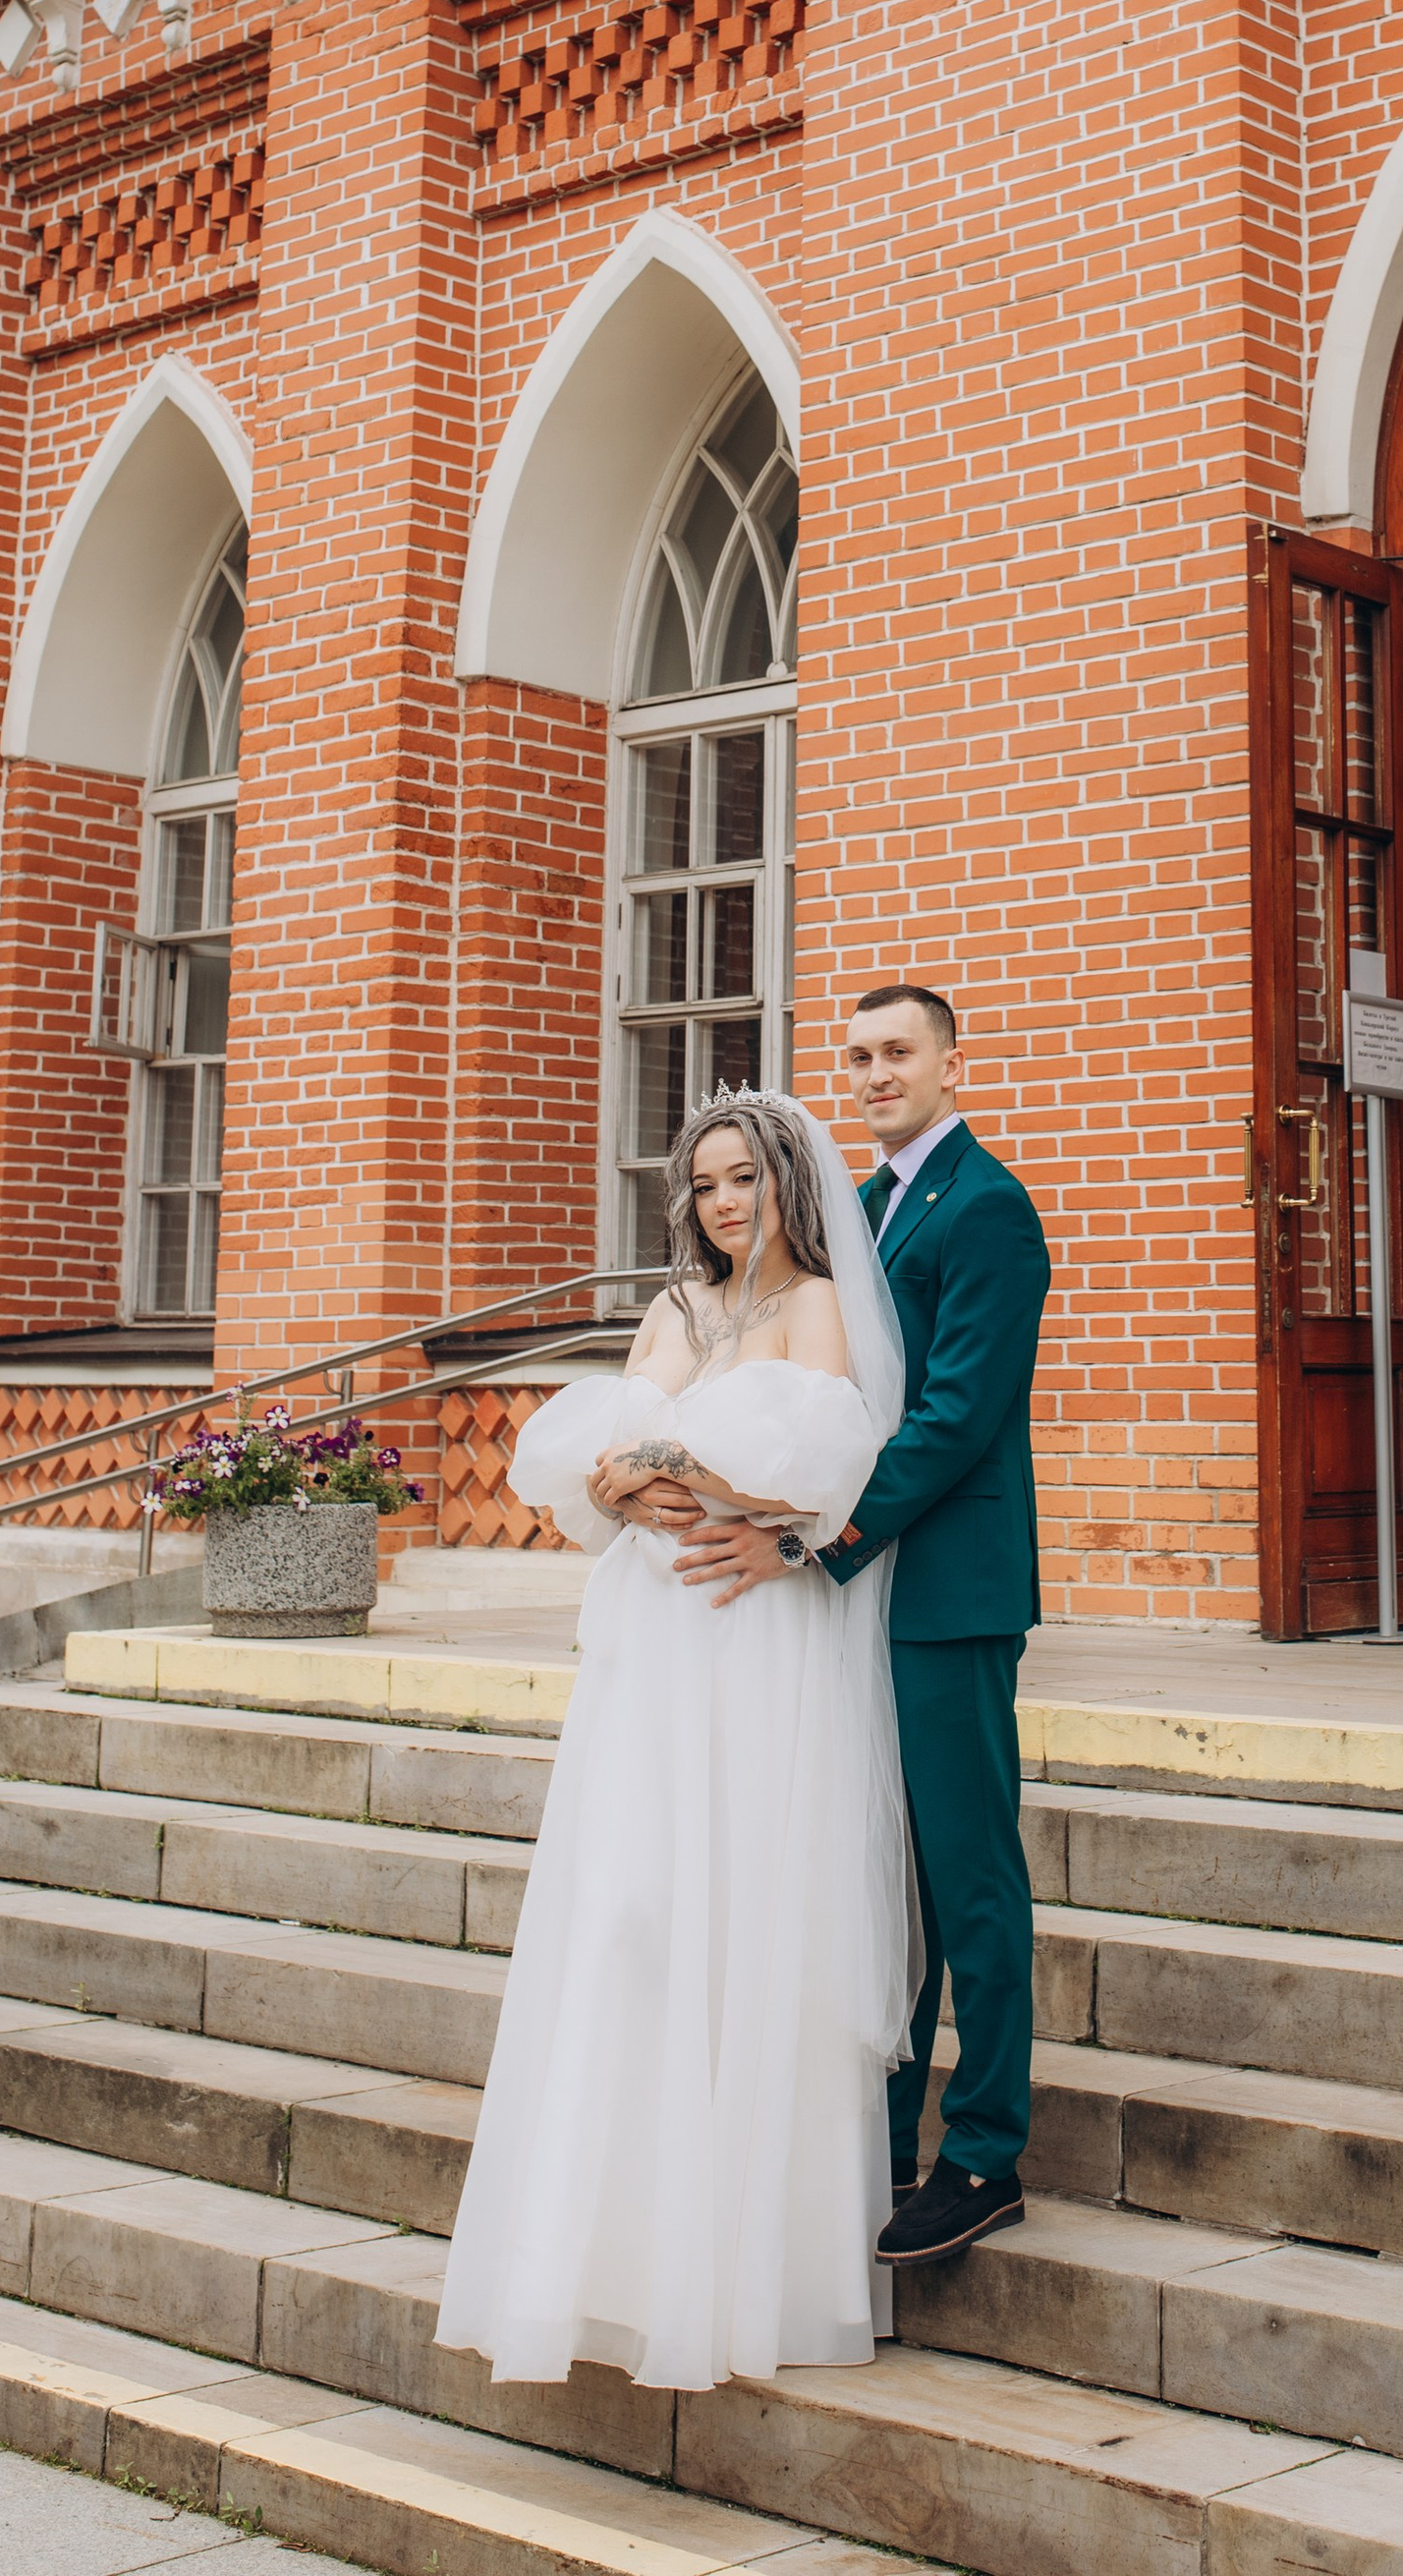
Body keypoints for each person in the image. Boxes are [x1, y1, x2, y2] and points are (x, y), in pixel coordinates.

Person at [434, 1090, 919, 2393]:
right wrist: (637, 1475)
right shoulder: (674, 1310)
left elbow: (823, 1477)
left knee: (742, 1907)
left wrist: (689, 1474)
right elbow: (604, 1470)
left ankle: (750, 2272)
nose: (723, 1202)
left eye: (743, 1177)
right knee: (629, 1910)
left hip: (751, 1634)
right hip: (652, 1642)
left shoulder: (816, 1304)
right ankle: (610, 2259)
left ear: (786, 1184)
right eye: (704, 1183)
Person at [672, 985, 1051, 2267]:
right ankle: (880, 2143)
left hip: (945, 1591)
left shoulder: (986, 1208)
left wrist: (816, 1541)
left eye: (899, 1052)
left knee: (965, 1874)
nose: (877, 1073)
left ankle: (985, 2153)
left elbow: (952, 1416)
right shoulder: (863, 1205)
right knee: (878, 1875)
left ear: (951, 1061)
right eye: (858, 1057)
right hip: (858, 1597)